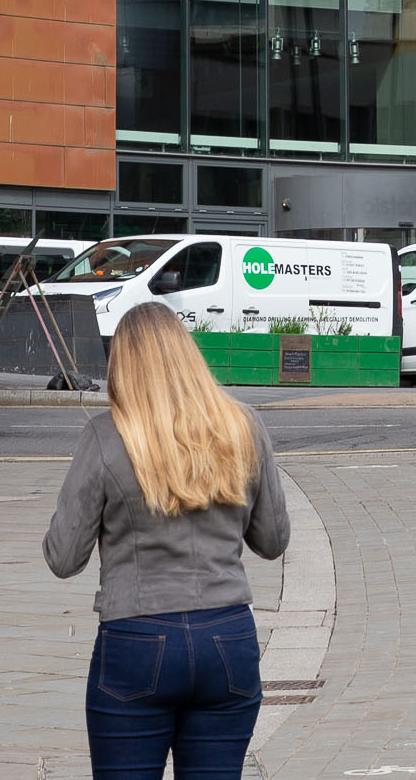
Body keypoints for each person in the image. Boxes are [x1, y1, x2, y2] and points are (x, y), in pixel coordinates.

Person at [44, 303, 291, 778]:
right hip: (228, 636)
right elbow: (273, 539)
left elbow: (63, 557)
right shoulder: (243, 425)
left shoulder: (104, 436)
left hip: (137, 638)